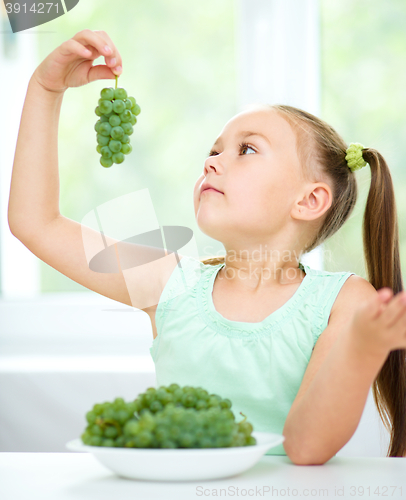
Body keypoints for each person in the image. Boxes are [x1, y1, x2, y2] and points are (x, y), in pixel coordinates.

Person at [8, 29, 406, 464]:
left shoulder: (344, 303)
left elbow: (306, 448)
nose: (211, 161)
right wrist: (45, 90)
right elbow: (36, 222)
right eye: (214, 150)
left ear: (309, 200)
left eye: (247, 149)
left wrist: (363, 348)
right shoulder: (168, 283)